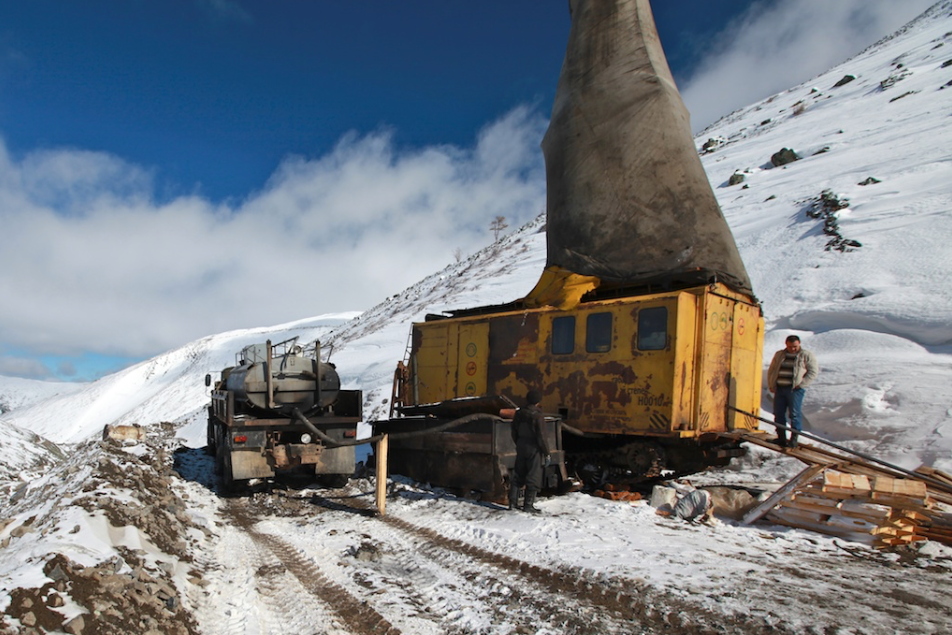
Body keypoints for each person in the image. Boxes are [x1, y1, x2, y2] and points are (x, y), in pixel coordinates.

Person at [766, 335, 819, 448]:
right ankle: (781, 438)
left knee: (794, 414)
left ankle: (794, 439)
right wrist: (771, 384)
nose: (792, 349)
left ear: (799, 343)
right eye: (790, 347)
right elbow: (772, 369)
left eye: (795, 346)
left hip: (794, 389)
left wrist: (801, 384)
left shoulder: (806, 355)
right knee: (778, 413)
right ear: (786, 345)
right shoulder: (780, 354)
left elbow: (813, 371)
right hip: (780, 388)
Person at [509, 389, 550, 514]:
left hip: (521, 444)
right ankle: (528, 505)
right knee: (533, 475)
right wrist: (546, 452)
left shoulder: (520, 413)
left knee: (518, 473)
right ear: (538, 401)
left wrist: (519, 442)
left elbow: (513, 430)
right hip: (534, 447)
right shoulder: (538, 415)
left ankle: (512, 503)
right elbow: (541, 436)